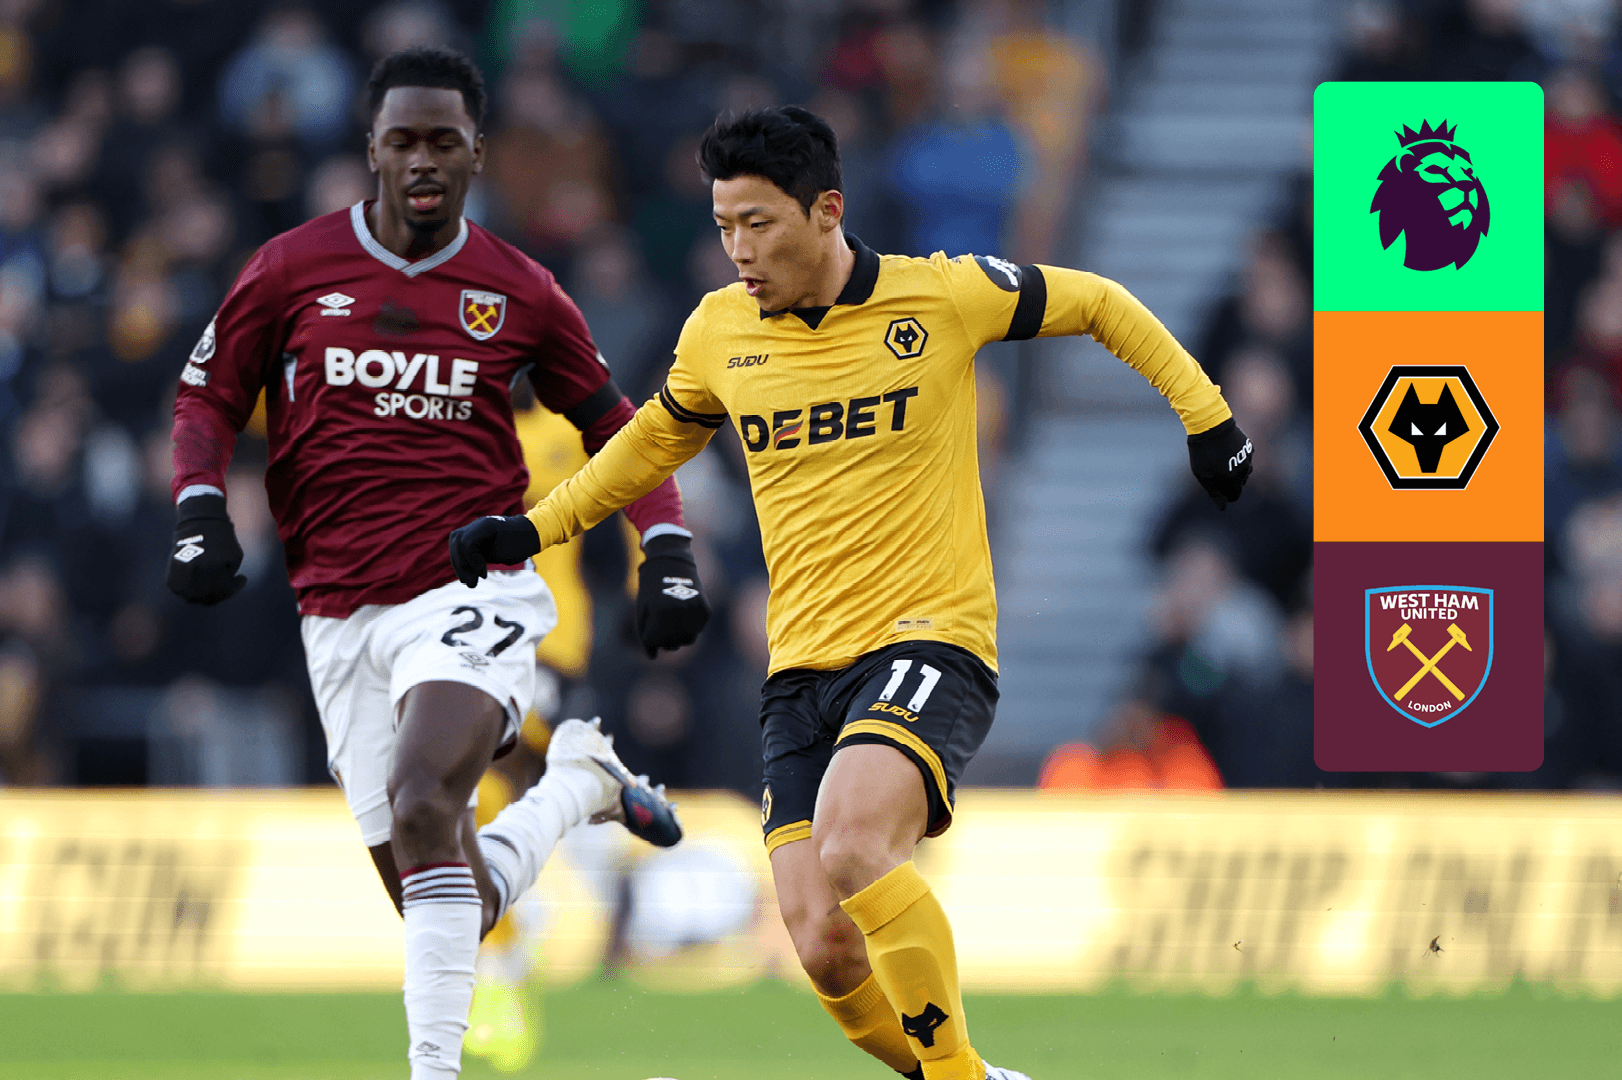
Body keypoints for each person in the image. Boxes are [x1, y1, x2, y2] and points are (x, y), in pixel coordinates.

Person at [449, 106, 1253, 1080]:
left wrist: (1208, 418)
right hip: (800, 672)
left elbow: (1098, 301)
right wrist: (535, 528)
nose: (740, 250)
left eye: (759, 223)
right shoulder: (719, 332)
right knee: (822, 943)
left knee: (855, 841)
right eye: (724, 226)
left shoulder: (940, 297)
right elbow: (648, 444)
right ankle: (969, 1075)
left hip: (929, 641)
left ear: (827, 211)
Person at [166, 47, 712, 1080]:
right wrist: (199, 502)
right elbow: (207, 396)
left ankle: (433, 1071)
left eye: (445, 141)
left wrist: (667, 544)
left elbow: (619, 427)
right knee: (446, 894)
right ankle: (577, 785)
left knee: (424, 797)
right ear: (372, 149)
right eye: (404, 140)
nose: (424, 159)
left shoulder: (519, 291)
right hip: (337, 611)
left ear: (476, 153)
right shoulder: (289, 269)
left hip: (471, 590)